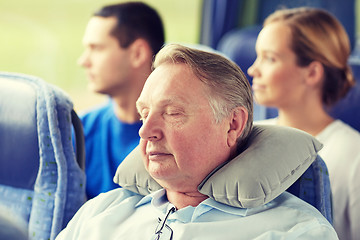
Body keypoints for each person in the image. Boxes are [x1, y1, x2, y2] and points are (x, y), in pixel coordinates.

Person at [56, 44, 337, 239]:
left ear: (232, 124)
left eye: (173, 113)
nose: (146, 131)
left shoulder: (296, 232)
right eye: (144, 114)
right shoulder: (100, 213)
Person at [247, 7, 360, 240]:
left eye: (270, 58)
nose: (253, 69)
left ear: (312, 73)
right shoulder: (249, 137)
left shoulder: (353, 154)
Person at [77, 2, 165, 199]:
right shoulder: (80, 131)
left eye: (96, 48)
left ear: (137, 54)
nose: (83, 61)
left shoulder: (174, 141)